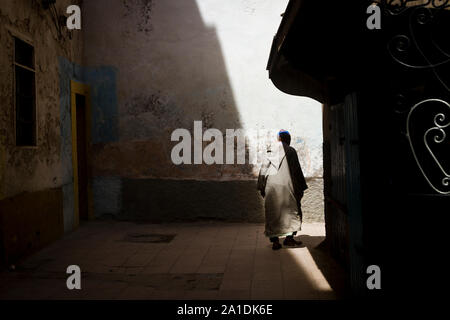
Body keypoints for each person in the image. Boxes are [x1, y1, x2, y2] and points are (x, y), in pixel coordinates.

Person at [257, 129, 308, 250]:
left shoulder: (270, 152)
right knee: (291, 213)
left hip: (271, 187)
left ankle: (275, 242)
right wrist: (301, 187)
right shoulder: (291, 151)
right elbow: (296, 171)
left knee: (272, 213)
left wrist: (261, 186)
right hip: (287, 186)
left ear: (278, 139)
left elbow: (263, 169)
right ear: (287, 140)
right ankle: (289, 239)